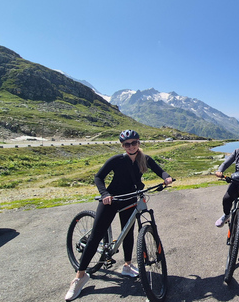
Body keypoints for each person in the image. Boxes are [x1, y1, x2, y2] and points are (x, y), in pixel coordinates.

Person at [65, 129, 173, 301]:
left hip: (130, 199)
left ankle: (127, 266)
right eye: (127, 144)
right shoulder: (117, 160)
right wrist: (105, 194)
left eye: (134, 143)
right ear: (123, 146)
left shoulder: (144, 159)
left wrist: (167, 178)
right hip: (112, 200)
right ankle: (80, 276)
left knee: (128, 232)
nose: (131, 146)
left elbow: (161, 171)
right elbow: (98, 177)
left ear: (139, 143)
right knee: (95, 237)